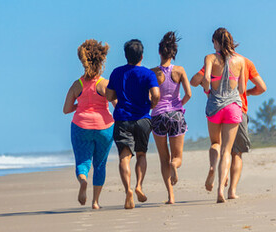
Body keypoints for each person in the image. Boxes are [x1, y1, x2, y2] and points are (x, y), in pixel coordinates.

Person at [192, 49, 266, 200]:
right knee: (236, 153)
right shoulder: (244, 61)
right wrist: (247, 93)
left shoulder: (214, 60)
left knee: (218, 144)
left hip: (217, 108)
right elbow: (262, 87)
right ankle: (231, 191)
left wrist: (206, 86)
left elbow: (196, 80)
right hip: (239, 109)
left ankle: (216, 171)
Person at [191, 27, 246, 203]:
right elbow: (243, 89)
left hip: (215, 106)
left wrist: (207, 89)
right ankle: (221, 190)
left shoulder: (210, 58)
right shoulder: (240, 60)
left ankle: (212, 167)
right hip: (233, 107)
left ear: (216, 42)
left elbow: (205, 79)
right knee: (227, 150)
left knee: (215, 143)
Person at [106, 39, 161, 209]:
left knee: (124, 157)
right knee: (141, 154)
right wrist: (151, 104)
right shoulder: (148, 74)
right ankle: (139, 186)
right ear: (142, 56)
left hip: (122, 118)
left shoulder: (116, 72)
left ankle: (128, 190)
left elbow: (109, 96)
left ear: (125, 55)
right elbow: (156, 94)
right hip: (143, 119)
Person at [62, 39, 115, 209]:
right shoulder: (105, 84)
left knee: (82, 162)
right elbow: (117, 105)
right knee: (100, 164)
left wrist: (82, 105)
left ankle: (83, 181)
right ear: (101, 60)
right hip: (104, 127)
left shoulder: (77, 85)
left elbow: (66, 109)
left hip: (81, 126)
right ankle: (96, 202)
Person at [148, 31, 192, 204]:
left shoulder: (152, 73)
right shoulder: (180, 71)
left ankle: (171, 196)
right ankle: (175, 166)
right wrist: (179, 105)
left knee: (163, 158)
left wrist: (153, 107)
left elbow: (150, 97)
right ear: (173, 54)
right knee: (177, 157)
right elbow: (189, 93)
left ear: (159, 52)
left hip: (158, 116)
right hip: (176, 115)